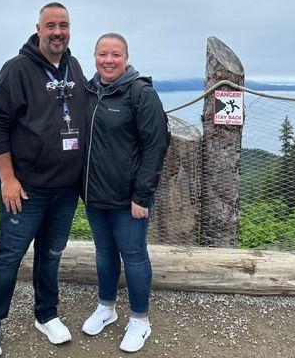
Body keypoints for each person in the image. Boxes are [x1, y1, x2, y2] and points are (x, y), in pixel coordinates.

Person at [0, 2, 86, 357]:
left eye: (63, 25)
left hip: (65, 189)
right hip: (25, 189)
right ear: (38, 29)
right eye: (51, 25)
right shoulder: (17, 69)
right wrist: (8, 179)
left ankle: (46, 314)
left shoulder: (74, 65)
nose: (58, 32)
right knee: (8, 256)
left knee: (51, 254)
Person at [81, 33, 169, 353]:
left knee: (134, 256)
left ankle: (140, 320)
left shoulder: (141, 93)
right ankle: (106, 307)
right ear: (94, 57)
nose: (108, 60)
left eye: (115, 54)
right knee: (104, 253)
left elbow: (155, 147)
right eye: (103, 54)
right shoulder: (88, 91)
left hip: (129, 198)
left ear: (126, 58)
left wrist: (142, 196)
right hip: (95, 195)